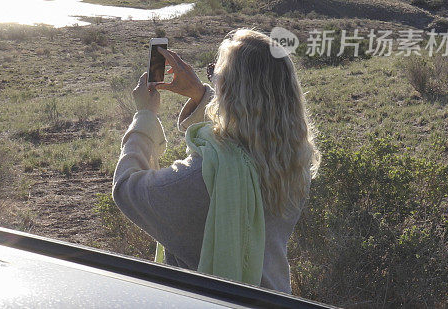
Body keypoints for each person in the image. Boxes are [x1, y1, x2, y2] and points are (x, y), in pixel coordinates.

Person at [112, 28, 320, 293]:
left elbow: (127, 187)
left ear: (231, 94)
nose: (211, 78)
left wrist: (145, 115)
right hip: (276, 298)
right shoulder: (293, 163)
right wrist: (201, 95)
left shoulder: (201, 180)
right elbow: (246, 134)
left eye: (214, 73)